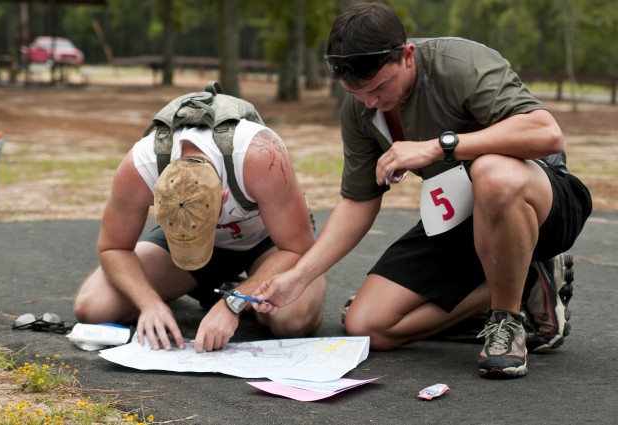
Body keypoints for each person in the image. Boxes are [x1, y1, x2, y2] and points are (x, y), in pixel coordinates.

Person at [252, 2, 592, 379]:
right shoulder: (361, 110)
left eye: (380, 87)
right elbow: (357, 201)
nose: (370, 102)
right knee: (368, 325)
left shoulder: (458, 64)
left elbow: (546, 133)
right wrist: (298, 277)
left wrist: (438, 146)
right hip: (467, 217)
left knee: (492, 172)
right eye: (356, 91)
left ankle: (507, 320)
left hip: (542, 201)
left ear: (407, 55)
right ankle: (523, 278)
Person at [73, 95, 326, 353]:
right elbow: (113, 248)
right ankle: (210, 286)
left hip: (272, 243)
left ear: (223, 198)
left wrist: (234, 303)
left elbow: (297, 248)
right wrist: (149, 303)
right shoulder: (140, 166)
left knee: (292, 321)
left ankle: (234, 292)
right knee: (93, 308)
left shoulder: (260, 155)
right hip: (199, 252)